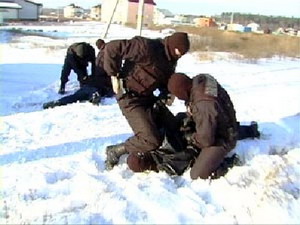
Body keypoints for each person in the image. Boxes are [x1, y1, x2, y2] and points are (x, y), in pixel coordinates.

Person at [104, 32, 190, 170]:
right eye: (178, 52)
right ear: (172, 46)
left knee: (173, 126)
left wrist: (167, 93)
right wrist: (113, 74)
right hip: (129, 98)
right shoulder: (146, 47)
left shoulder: (170, 60)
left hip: (148, 97)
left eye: (182, 55)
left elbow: (165, 79)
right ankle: (115, 150)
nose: (179, 56)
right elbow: (112, 47)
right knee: (150, 140)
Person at [166, 72, 260, 179]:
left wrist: (191, 138)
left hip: (222, 137)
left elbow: (206, 140)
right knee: (184, 119)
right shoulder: (201, 79)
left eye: (179, 95)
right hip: (226, 120)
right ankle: (249, 131)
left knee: (197, 174)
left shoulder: (203, 104)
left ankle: (229, 163)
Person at [43, 39, 114, 109]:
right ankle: (62, 87)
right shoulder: (71, 54)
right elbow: (77, 68)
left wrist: (90, 76)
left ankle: (59, 102)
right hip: (94, 86)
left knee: (76, 95)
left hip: (90, 85)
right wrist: (83, 77)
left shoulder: (91, 51)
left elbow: (93, 64)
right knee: (66, 72)